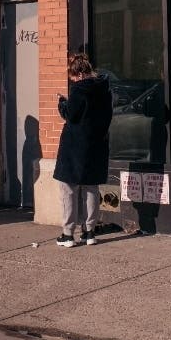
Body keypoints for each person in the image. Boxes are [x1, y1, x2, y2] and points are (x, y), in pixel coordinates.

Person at [53, 51, 113, 247]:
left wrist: (62, 103)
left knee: (68, 188)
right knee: (91, 187)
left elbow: (71, 115)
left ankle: (68, 234)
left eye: (72, 77)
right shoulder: (104, 89)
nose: (72, 80)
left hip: (75, 146)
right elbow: (107, 116)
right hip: (96, 144)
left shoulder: (79, 89)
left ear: (78, 74)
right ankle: (89, 232)